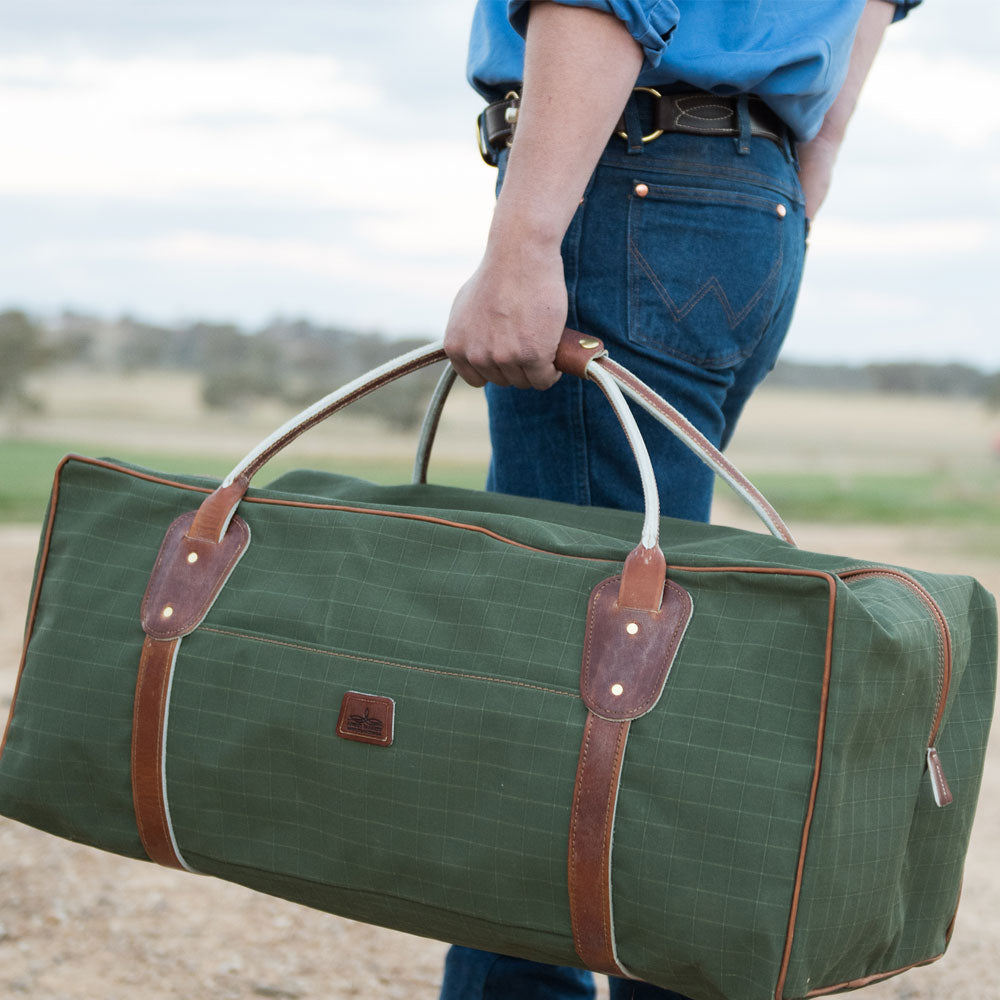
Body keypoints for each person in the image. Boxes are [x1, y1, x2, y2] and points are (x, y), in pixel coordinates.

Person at [440, 2, 918, 997]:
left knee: (560, 685)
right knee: (632, 661)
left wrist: (526, 242)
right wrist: (785, 185)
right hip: (751, 198)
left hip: (631, 174)